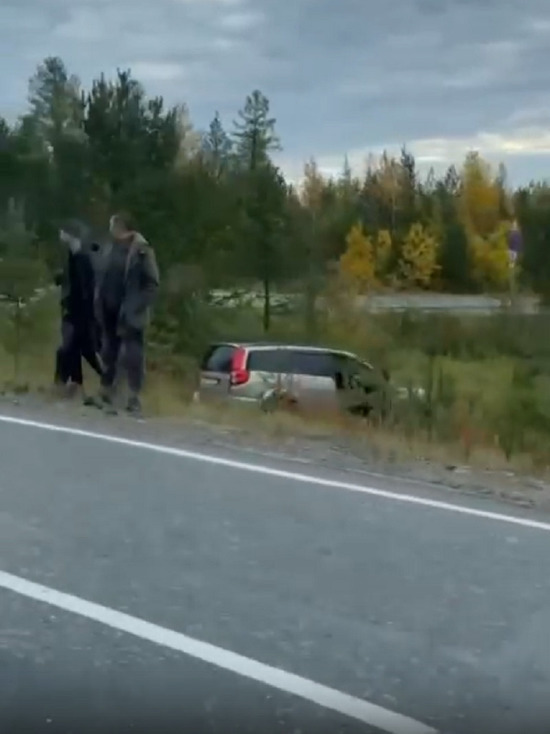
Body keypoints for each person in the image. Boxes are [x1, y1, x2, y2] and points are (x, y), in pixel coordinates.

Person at [93, 212, 159, 416]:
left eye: (113, 225)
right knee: (108, 351)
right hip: (109, 309)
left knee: (132, 355)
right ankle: (107, 391)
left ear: (122, 227)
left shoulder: (141, 251)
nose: (110, 229)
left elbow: (152, 283)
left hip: (130, 312)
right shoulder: (110, 247)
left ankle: (133, 396)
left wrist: (135, 306)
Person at [54, 220, 103, 400]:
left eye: (63, 233)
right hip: (78, 312)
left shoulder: (81, 257)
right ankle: (73, 384)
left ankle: (65, 384)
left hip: (80, 313)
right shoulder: (74, 255)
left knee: (74, 349)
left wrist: (76, 309)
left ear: (70, 235)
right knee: (77, 349)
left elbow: (85, 289)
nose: (60, 236)